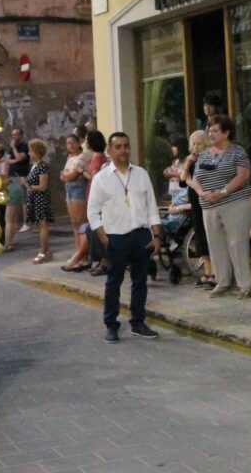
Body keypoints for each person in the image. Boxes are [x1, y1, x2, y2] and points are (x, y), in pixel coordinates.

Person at [87, 132, 162, 343]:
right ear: (110, 151)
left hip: (141, 236)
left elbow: (152, 207)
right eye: (118, 146)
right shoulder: (101, 179)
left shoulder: (141, 174)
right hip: (115, 238)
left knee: (140, 282)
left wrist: (156, 235)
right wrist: (105, 239)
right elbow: (92, 213)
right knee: (114, 282)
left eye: (126, 146)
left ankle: (138, 322)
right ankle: (111, 324)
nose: (123, 150)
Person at [185, 116, 251, 298]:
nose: (211, 134)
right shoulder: (205, 153)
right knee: (215, 244)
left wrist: (222, 192)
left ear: (226, 133)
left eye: (215, 131)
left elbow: (243, 175)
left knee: (236, 243)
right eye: (210, 131)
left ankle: (245, 284)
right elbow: (196, 177)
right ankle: (222, 281)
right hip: (208, 205)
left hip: (235, 202)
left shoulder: (237, 152)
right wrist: (201, 192)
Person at [181, 130, 214, 288]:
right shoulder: (192, 161)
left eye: (199, 143)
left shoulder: (208, 159)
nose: (195, 147)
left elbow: (195, 180)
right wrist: (187, 164)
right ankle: (207, 272)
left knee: (209, 237)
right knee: (200, 237)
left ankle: (214, 272)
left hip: (206, 202)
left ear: (206, 144)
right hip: (195, 203)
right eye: (193, 143)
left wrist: (189, 180)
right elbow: (182, 180)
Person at [82, 130, 110, 276]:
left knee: (96, 229)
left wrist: (82, 172)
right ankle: (100, 260)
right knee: (92, 230)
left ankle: (105, 261)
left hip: (97, 198)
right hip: (95, 197)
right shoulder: (100, 157)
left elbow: (94, 177)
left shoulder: (98, 158)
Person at [60, 134, 89, 271]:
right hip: (69, 189)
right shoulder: (69, 157)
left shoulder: (82, 157)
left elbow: (70, 175)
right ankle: (78, 251)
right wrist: (67, 175)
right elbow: (63, 175)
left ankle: (83, 256)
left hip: (78, 188)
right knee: (74, 222)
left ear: (78, 143)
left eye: (72, 142)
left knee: (81, 222)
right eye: (67, 143)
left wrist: (67, 175)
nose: (69, 145)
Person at [25, 139, 54, 264]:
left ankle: (43, 251)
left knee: (43, 225)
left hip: (40, 199)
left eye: (31, 151)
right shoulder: (34, 166)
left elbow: (43, 186)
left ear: (37, 152)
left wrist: (28, 186)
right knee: (39, 225)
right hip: (34, 198)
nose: (29, 153)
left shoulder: (42, 166)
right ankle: (46, 250)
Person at [2, 128, 30, 248]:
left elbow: (19, 158)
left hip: (19, 179)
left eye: (16, 134)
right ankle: (10, 242)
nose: (14, 137)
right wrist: (13, 160)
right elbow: (7, 161)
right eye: (12, 134)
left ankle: (8, 243)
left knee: (10, 217)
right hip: (13, 179)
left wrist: (13, 149)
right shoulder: (11, 149)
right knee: (12, 218)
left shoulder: (24, 146)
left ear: (21, 135)